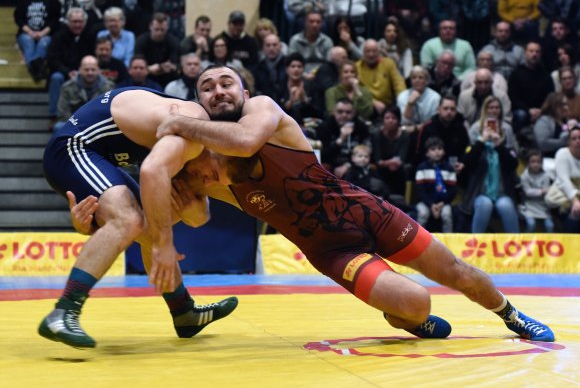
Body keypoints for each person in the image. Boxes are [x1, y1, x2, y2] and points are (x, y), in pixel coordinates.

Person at [151, 64, 554, 342]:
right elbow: (198, 216)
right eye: (207, 87)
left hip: (367, 213)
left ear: (244, 91)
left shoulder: (263, 110)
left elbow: (243, 141)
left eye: (226, 82)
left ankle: (511, 316)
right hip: (333, 252)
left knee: (456, 271)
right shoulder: (203, 167)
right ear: (199, 100)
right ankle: (408, 318)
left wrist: (177, 121)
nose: (218, 90)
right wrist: (171, 199)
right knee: (416, 304)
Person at [39, 86, 238, 349]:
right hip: (72, 147)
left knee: (147, 225)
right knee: (131, 220)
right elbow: (151, 171)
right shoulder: (190, 131)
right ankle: (64, 311)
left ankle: (184, 313)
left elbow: (197, 214)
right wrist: (163, 243)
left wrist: (174, 225)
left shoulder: (192, 147)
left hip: (102, 158)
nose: (209, 181)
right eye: (212, 174)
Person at [461, 97, 521, 234]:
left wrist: (499, 143)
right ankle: (475, 245)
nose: (494, 110)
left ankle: (516, 247)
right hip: (480, 191)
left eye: (497, 107)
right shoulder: (476, 128)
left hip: (502, 191)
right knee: (485, 205)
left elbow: (513, 165)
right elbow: (468, 163)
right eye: (490, 107)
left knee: (506, 206)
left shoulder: (507, 129)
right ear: (485, 110)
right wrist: (482, 140)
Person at [46, 7, 95, 125]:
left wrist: (82, 71)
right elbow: (52, 60)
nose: (77, 24)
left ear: (85, 22)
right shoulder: (58, 37)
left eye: (80, 21)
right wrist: (67, 71)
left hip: (85, 72)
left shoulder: (90, 36)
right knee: (56, 78)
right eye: (74, 21)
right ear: (68, 22)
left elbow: (93, 57)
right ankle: (54, 116)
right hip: (63, 73)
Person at [13, 0, 61, 81]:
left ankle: (33, 68)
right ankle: (38, 70)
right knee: (28, 41)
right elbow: (18, 18)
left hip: (46, 34)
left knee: (44, 42)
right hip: (26, 33)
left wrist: (42, 33)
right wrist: (30, 32)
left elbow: (55, 19)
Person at [56, 55, 115, 128]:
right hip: (73, 126)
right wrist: (78, 125)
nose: (90, 73)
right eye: (86, 70)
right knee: (59, 126)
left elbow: (110, 112)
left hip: (98, 126)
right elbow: (63, 112)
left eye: (93, 69)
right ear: (80, 70)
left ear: (98, 70)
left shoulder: (108, 87)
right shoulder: (67, 87)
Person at [508, 41, 555, 134]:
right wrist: (528, 110)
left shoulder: (545, 74)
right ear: (525, 53)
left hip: (542, 111)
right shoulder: (516, 73)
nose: (534, 54)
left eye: (537, 52)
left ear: (541, 54)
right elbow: (512, 97)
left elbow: (551, 95)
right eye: (531, 51)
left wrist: (541, 110)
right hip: (522, 110)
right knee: (521, 114)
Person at [415, 136, 457, 232]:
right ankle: (419, 239)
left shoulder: (449, 168)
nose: (437, 152)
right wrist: (431, 205)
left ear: (444, 151)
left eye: (439, 149)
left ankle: (448, 241)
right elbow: (420, 190)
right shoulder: (422, 168)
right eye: (433, 149)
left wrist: (442, 204)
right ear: (427, 153)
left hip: (444, 202)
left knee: (447, 214)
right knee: (422, 213)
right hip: (425, 202)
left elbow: (453, 190)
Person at [356, 39, 406, 115]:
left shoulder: (388, 63)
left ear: (379, 52)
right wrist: (372, 102)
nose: (371, 54)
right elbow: (355, 90)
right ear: (363, 53)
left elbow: (399, 84)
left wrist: (402, 101)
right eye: (368, 51)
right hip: (366, 105)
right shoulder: (357, 67)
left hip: (387, 106)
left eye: (374, 51)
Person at [134, 12, 180, 87]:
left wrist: (171, 66)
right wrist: (148, 69)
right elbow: (137, 63)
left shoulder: (173, 41)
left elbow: (176, 64)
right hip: (146, 77)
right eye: (156, 29)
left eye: (162, 30)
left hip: (168, 78)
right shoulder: (141, 41)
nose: (159, 33)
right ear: (150, 27)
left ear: (167, 28)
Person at [288, 10, 334, 76]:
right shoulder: (295, 40)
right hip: (300, 75)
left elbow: (329, 65)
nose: (315, 25)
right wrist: (304, 75)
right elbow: (292, 63)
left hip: (322, 75)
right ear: (305, 23)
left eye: (318, 22)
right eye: (311, 22)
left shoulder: (327, 41)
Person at [519, 150, 555, 233]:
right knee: (531, 224)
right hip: (529, 205)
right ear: (528, 163)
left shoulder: (546, 175)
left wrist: (540, 192)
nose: (536, 164)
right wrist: (542, 191)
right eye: (533, 161)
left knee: (550, 226)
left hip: (543, 205)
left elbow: (547, 192)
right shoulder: (524, 176)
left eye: (538, 162)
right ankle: (526, 241)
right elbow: (527, 192)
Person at [553, 127, 580, 232]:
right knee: (576, 212)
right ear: (569, 142)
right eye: (574, 138)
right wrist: (575, 201)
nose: (578, 141)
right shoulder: (562, 154)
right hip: (565, 197)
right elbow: (564, 180)